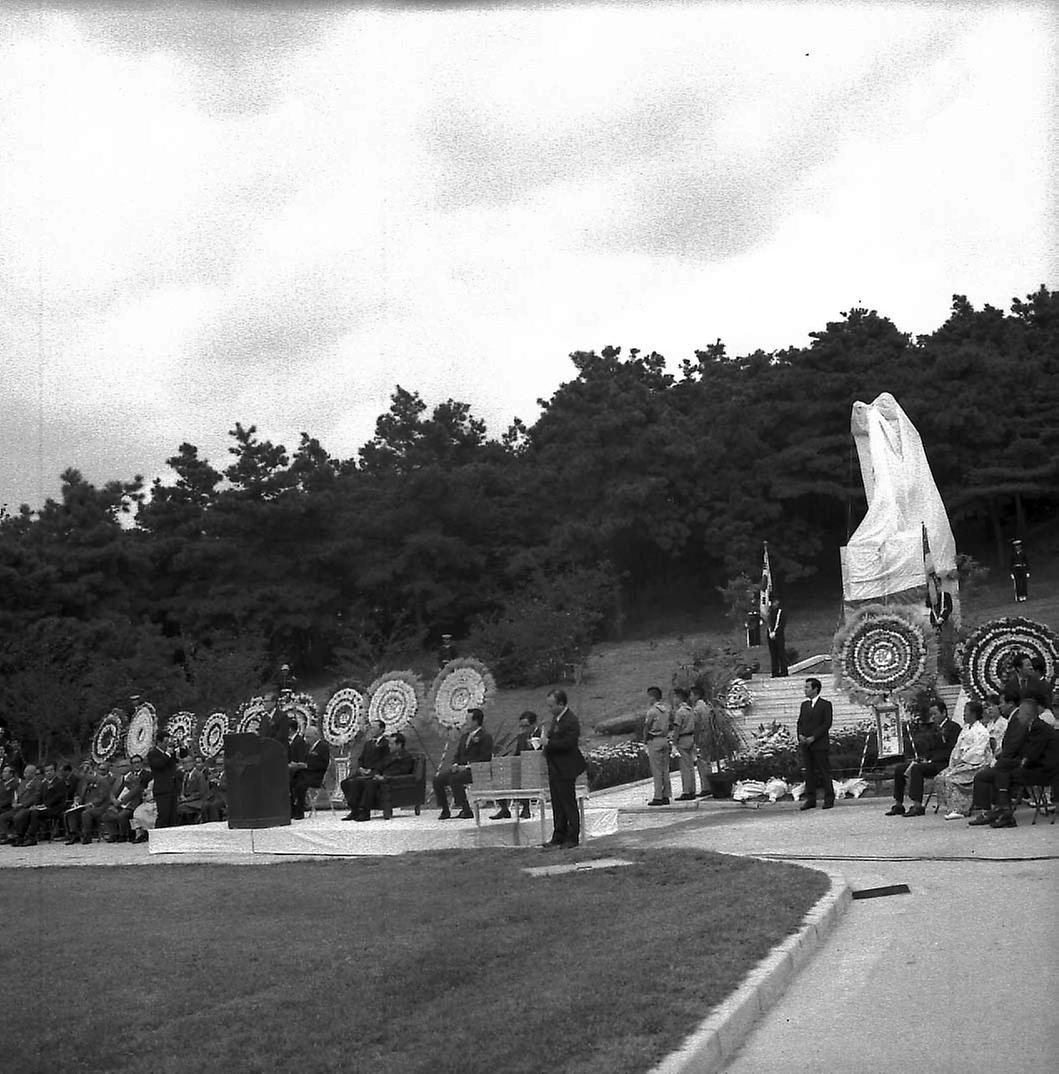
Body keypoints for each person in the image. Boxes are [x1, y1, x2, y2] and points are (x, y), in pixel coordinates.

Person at [969, 698, 1053, 828]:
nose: (1018, 716)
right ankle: (1002, 812)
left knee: (1004, 771)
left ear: (1028, 715)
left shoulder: (1039, 728)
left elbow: (1033, 756)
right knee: (998, 771)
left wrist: (1016, 762)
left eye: (1020, 714)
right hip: (1035, 766)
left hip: (1045, 771)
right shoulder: (1032, 726)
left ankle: (1003, 811)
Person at [884, 699, 960, 817]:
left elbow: (952, 750)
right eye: (931, 714)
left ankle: (917, 805)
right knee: (900, 769)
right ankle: (898, 804)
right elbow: (929, 748)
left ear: (944, 713)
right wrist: (923, 758)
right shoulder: (934, 728)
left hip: (943, 763)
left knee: (917, 769)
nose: (933, 717)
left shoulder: (954, 728)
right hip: (931, 760)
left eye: (935, 714)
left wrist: (932, 759)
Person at [541, 688, 586, 850]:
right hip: (555, 768)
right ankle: (558, 834)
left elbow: (569, 743)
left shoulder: (570, 720)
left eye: (552, 705)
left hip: (566, 767)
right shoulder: (556, 720)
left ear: (561, 703)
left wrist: (549, 743)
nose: (550, 709)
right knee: (557, 804)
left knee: (568, 803)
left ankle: (572, 836)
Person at [432, 709, 493, 820]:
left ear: (476, 721)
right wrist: (455, 764)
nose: (465, 722)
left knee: (455, 779)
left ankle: (465, 809)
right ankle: (445, 810)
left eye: (468, 720)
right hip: (460, 769)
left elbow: (485, 758)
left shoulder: (485, 737)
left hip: (475, 770)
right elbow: (458, 754)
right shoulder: (465, 736)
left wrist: (466, 767)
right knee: (438, 779)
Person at [935, 701, 992, 819]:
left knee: (952, 777)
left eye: (966, 711)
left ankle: (960, 809)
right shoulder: (965, 729)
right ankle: (950, 806)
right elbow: (957, 747)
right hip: (962, 762)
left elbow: (977, 751)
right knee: (940, 777)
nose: (964, 714)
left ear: (974, 714)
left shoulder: (982, 732)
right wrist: (955, 760)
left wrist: (962, 761)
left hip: (975, 764)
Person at [491, 711, 542, 820]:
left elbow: (542, 753)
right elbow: (517, 753)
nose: (524, 729)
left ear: (534, 724)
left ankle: (526, 808)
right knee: (503, 773)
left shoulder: (542, 735)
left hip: (537, 768)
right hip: (523, 766)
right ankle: (504, 808)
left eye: (526, 726)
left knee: (522, 776)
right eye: (521, 726)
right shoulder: (522, 737)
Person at [356, 732, 416, 820]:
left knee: (370, 783)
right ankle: (355, 810)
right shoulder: (389, 756)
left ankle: (364, 811)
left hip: (391, 780)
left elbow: (402, 771)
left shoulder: (406, 757)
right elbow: (379, 766)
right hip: (379, 778)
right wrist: (374, 773)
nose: (389, 746)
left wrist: (385, 777)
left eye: (391, 744)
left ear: (399, 745)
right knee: (356, 782)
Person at [796, 678, 834, 810]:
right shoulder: (804, 705)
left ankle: (829, 798)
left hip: (819, 744)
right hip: (806, 745)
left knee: (824, 772)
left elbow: (826, 724)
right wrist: (800, 735)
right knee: (809, 773)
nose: (805, 690)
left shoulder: (825, 704)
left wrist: (814, 736)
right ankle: (810, 799)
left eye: (807, 687)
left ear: (815, 689)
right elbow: (800, 722)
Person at [341, 721, 391, 820]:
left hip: (375, 772)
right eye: (371, 727)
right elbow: (361, 759)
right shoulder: (368, 743)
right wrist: (361, 768)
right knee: (346, 783)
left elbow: (385, 760)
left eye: (374, 728)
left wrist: (372, 770)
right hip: (363, 772)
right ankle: (354, 809)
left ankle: (364, 811)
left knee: (359, 782)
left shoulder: (386, 744)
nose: (371, 730)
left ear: (382, 729)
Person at [16, 762, 67, 845]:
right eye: (47, 771)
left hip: (56, 808)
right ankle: (21, 836)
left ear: (55, 771)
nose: (49, 772)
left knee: (34, 813)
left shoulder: (60, 782)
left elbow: (57, 797)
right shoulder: (44, 784)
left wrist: (44, 805)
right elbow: (39, 797)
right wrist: (35, 805)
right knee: (29, 812)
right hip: (44, 808)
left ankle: (31, 837)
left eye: (51, 770)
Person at [100, 759, 146, 842]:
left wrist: (121, 802)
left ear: (129, 766)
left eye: (123, 766)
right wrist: (113, 800)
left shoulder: (134, 777)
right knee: (106, 815)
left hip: (131, 804)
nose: (120, 768)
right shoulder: (118, 779)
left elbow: (134, 792)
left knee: (122, 815)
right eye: (119, 766)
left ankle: (124, 835)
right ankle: (114, 834)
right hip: (118, 803)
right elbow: (111, 792)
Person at [290, 726, 330, 819]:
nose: (306, 739)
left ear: (316, 735)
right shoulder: (307, 747)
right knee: (291, 782)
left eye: (308, 737)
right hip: (305, 774)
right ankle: (292, 809)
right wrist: (298, 765)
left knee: (300, 785)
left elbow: (323, 764)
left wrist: (307, 766)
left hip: (317, 776)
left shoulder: (323, 746)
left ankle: (300, 811)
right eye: (306, 737)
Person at [643, 686, 672, 806]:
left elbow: (647, 727)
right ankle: (666, 795)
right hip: (664, 739)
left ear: (652, 697)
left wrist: (645, 739)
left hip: (654, 740)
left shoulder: (652, 711)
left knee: (656, 770)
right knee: (665, 769)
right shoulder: (666, 710)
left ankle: (658, 796)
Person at [1, 764, 42, 844]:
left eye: (27, 772)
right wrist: (15, 802)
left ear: (33, 773)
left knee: (17, 817)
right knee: (3, 817)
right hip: (18, 806)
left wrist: (22, 804)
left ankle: (20, 836)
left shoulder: (38, 783)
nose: (25, 774)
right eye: (25, 772)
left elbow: (35, 797)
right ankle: (10, 835)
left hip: (28, 807)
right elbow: (18, 794)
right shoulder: (23, 783)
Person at [147, 730, 179, 829]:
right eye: (165, 743)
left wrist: (181, 746)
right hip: (162, 789)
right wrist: (168, 754)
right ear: (159, 742)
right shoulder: (153, 753)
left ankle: (170, 840)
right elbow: (159, 764)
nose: (167, 745)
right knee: (163, 815)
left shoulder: (169, 753)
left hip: (172, 787)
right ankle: (157, 838)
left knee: (172, 816)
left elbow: (181, 756)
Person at [671, 689, 697, 800]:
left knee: (685, 767)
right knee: (690, 766)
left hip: (683, 739)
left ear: (678, 698)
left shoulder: (680, 712)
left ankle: (687, 791)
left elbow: (677, 728)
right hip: (691, 737)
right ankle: (692, 789)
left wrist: (674, 742)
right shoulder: (690, 710)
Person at [691, 686, 715, 799]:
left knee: (702, 763)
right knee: (708, 762)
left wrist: (694, 739)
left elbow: (695, 725)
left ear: (696, 695)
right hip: (708, 734)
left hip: (701, 735)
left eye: (691, 695)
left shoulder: (697, 709)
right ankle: (709, 785)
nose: (690, 697)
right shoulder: (706, 706)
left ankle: (705, 787)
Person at [176, 751, 208, 823]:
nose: (186, 765)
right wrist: (182, 796)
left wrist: (187, 799)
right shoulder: (186, 775)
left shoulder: (199, 775)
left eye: (189, 762)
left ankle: (189, 823)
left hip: (199, 801)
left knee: (181, 808)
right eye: (184, 763)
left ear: (193, 763)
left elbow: (201, 793)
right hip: (190, 799)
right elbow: (183, 789)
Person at [766, 597, 788, 677]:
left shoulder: (780, 611)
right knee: (773, 654)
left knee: (781, 653)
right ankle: (774, 671)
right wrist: (770, 632)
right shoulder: (770, 612)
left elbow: (781, 624)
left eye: (774, 602)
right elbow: (769, 623)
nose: (773, 604)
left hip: (778, 635)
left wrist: (775, 632)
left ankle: (783, 671)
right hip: (770, 634)